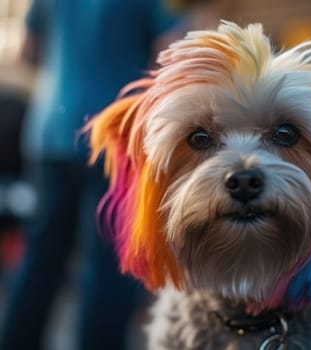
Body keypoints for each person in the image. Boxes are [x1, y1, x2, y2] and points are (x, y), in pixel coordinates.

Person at [0, 1, 181, 349]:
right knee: (107, 267)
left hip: (51, 132)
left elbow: (27, 52)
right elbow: (169, 55)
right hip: (114, 137)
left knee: (41, 255)